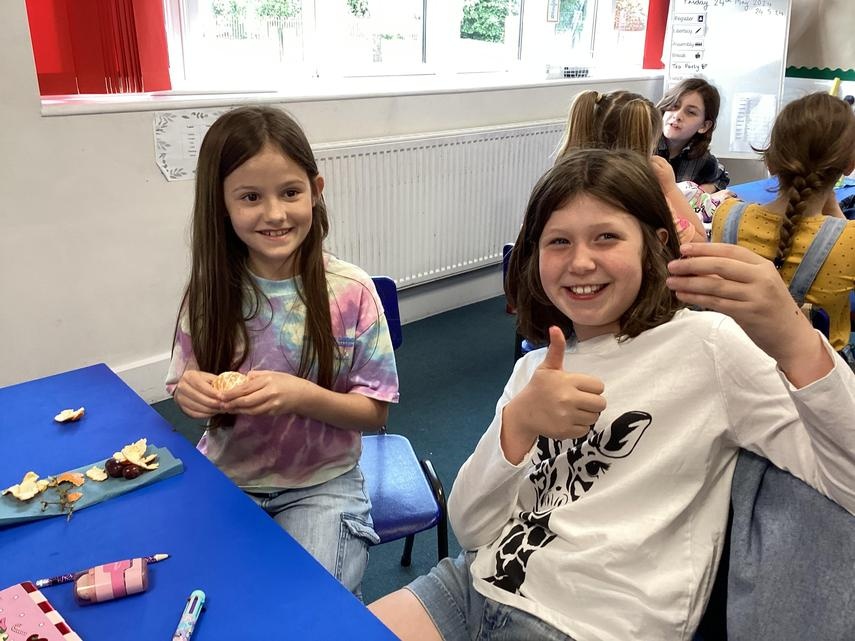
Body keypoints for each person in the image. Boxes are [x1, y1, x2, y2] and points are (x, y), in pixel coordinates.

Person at [368, 148, 855, 641]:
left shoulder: (708, 345)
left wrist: (796, 340)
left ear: (654, 244)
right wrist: (517, 425)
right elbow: (471, 529)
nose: (581, 262)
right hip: (473, 587)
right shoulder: (536, 367)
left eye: (606, 237)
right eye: (559, 241)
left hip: (585, 623)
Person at [165, 106, 399, 597]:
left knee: (311, 606)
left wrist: (300, 396)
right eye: (250, 197)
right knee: (205, 597)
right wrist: (191, 393)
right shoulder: (209, 294)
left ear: (315, 190)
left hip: (322, 484)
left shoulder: (351, 291)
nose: (274, 214)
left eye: (290, 192)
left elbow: (375, 412)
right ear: (221, 204)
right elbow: (187, 386)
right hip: (229, 477)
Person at [711, 92, 855, 354]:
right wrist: (831, 203)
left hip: (735, 361)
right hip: (816, 370)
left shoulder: (727, 216)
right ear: (849, 165)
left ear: (771, 159)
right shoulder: (849, 240)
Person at [556, 88, 709, 243]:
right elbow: (699, 240)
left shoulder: (558, 188)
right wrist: (670, 187)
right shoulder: (643, 200)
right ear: (645, 146)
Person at [656, 77, 732, 198]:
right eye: (674, 106)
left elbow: (722, 177)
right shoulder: (643, 145)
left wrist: (700, 194)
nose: (677, 116)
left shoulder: (702, 158)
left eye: (690, 112)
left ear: (704, 126)